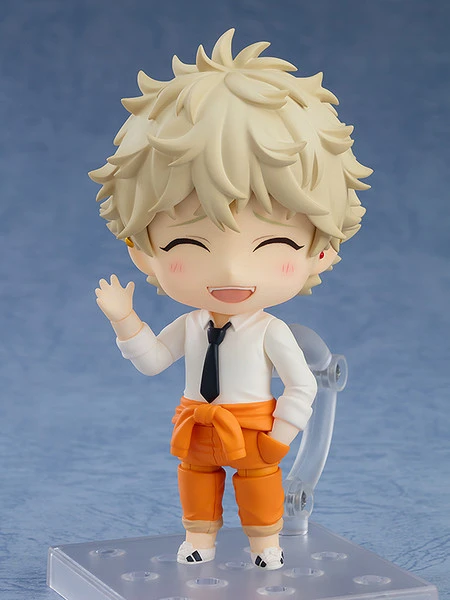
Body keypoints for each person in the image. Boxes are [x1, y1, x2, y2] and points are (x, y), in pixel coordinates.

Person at [90, 29, 372, 570]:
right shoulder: (191, 326)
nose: (231, 271)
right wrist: (126, 322)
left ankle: (266, 544)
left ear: (322, 251)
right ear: (143, 251)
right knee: (196, 483)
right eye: (189, 245)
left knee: (260, 485)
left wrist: (281, 438)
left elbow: (302, 383)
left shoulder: (270, 332)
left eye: (273, 245)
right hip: (195, 424)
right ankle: (199, 540)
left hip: (254, 427)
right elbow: (153, 361)